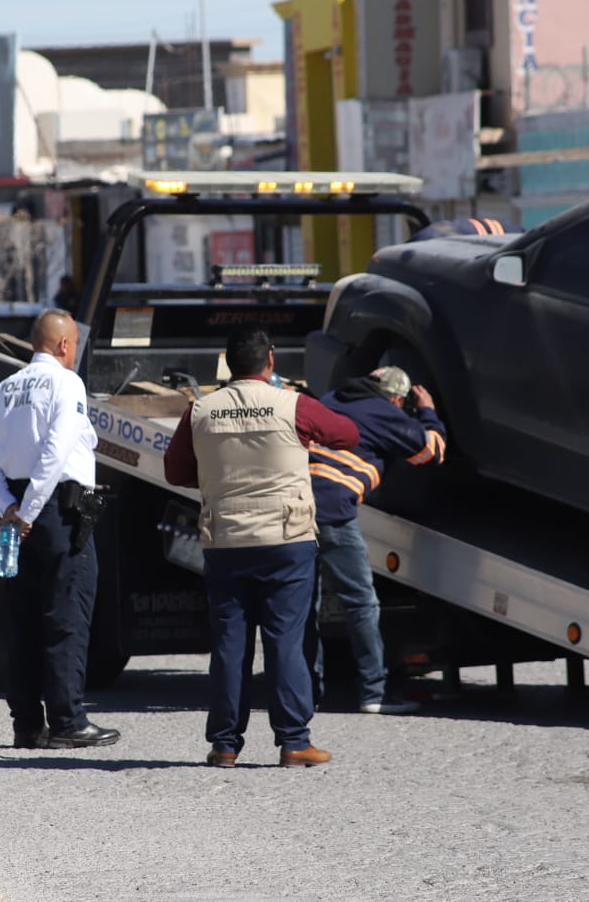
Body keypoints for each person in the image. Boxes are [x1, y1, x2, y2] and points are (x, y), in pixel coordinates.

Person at [164, 327, 360, 768]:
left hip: (226, 540)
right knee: (287, 640)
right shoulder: (293, 404)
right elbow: (347, 435)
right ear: (270, 360)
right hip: (286, 541)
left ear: (228, 363)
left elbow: (176, 471)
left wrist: (220, 478)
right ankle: (294, 742)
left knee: (230, 643)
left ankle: (225, 745)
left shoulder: (200, 410)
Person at [0, 308, 120, 750]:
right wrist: (32, 510)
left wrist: (9, 507)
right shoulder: (66, 383)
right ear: (62, 346)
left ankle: (27, 726)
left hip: (18, 513)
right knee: (65, 618)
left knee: (22, 622)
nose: (74, 353)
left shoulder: (4, 389)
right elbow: (55, 452)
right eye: (73, 344)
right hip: (56, 513)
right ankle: (68, 721)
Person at [305, 365, 448, 715]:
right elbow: (432, 450)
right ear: (396, 398)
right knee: (361, 603)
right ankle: (373, 692)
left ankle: (307, 695)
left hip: (296, 508)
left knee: (304, 607)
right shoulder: (385, 412)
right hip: (333, 513)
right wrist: (427, 410)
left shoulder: (331, 399)